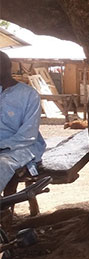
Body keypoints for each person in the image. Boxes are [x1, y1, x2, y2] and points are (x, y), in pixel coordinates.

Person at [0, 51, 46, 194]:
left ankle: (5, 211)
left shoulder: (29, 95)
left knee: (3, 164)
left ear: (9, 66)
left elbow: (28, 134)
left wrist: (2, 146)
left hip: (23, 147)